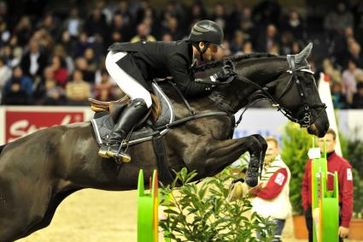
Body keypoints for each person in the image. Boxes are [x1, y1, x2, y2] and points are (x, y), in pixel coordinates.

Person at [98, 19, 236, 162]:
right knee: (144, 99)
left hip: (137, 66)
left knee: (153, 98)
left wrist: (215, 77)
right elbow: (188, 89)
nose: (215, 52)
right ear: (201, 44)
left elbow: (190, 83)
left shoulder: (188, 55)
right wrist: (215, 80)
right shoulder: (178, 56)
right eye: (213, 48)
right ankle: (111, 142)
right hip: (120, 59)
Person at [302, 128, 353, 242]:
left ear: (334, 142)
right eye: (321, 140)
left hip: (333, 214)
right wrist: (306, 207)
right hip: (312, 213)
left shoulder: (344, 165)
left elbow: (348, 195)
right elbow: (305, 185)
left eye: (328, 141)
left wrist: (345, 223)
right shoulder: (312, 162)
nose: (323, 144)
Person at [249, 136, 291, 242]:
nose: (267, 152)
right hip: (260, 215)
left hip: (274, 216)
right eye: (265, 149)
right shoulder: (261, 168)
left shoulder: (281, 170)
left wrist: (253, 190)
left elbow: (270, 192)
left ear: (277, 150)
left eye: (271, 149)